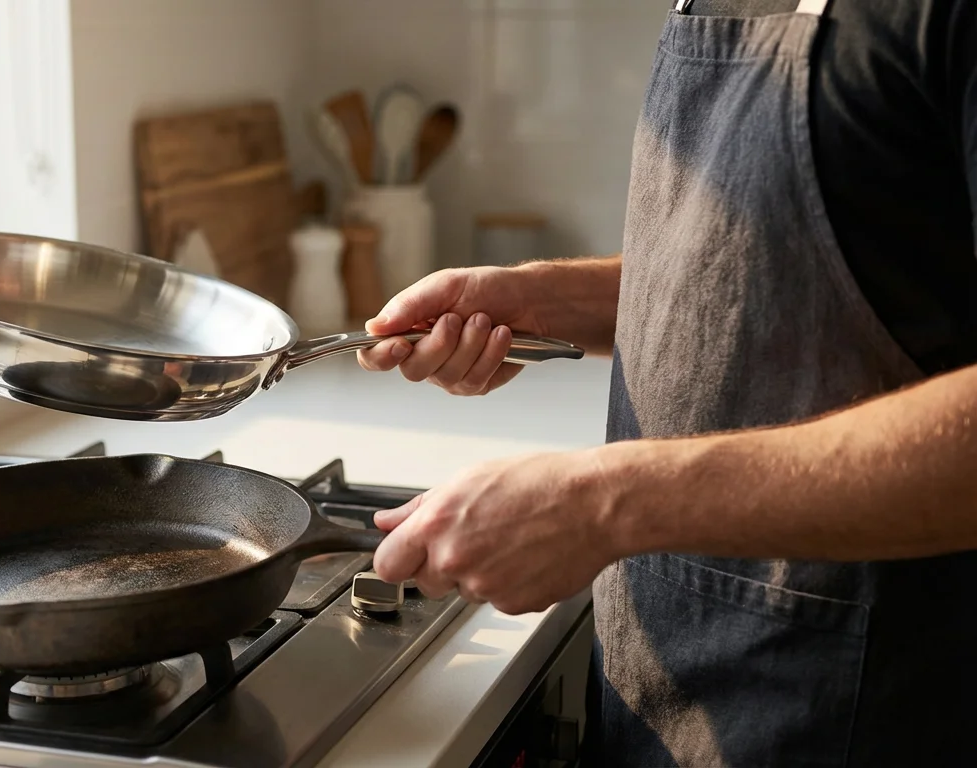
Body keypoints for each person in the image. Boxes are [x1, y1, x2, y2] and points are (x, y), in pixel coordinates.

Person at [357, 1, 977, 765]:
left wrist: (605, 504)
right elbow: (832, 265)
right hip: (657, 695)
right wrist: (551, 302)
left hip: (867, 714)